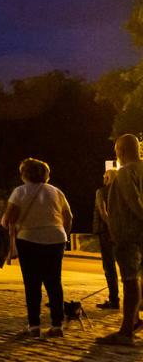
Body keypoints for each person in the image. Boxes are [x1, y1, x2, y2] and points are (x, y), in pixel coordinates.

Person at [1, 158, 72, 338]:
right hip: (56, 239)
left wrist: (5, 228)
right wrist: (62, 234)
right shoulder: (56, 192)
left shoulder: (20, 192)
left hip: (29, 239)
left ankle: (34, 325)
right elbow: (68, 216)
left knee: (32, 283)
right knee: (54, 282)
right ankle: (57, 324)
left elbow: (9, 219)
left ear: (24, 174)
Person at [98, 134, 143, 346]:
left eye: (116, 151)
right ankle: (135, 321)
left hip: (130, 235)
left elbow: (134, 203)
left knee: (130, 280)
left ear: (121, 151)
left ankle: (126, 332)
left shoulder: (125, 173)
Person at [94, 168, 120, 310]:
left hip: (106, 233)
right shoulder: (122, 193)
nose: (103, 179)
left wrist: (111, 230)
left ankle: (114, 300)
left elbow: (103, 213)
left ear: (108, 178)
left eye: (105, 177)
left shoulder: (101, 192)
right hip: (122, 232)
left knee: (109, 267)